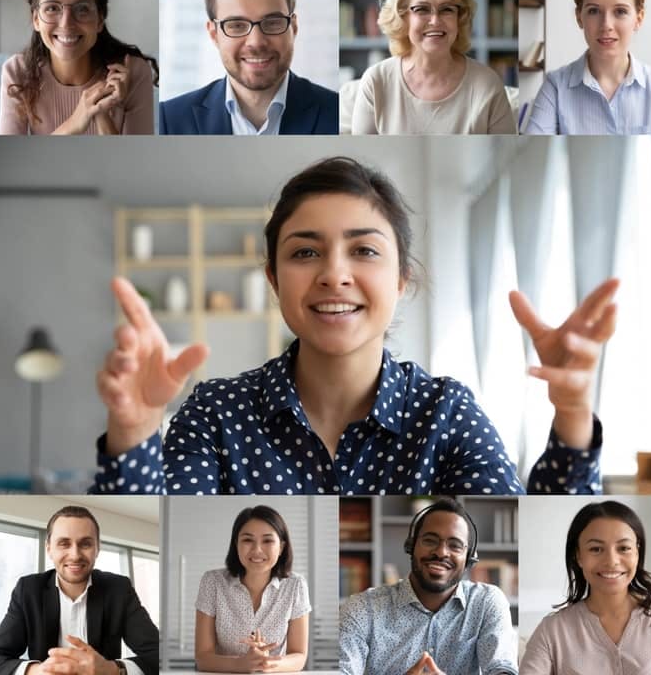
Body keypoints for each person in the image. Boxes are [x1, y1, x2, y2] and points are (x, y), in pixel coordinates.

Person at [91, 156, 618, 495]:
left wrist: (572, 417)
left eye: (364, 250)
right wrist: (134, 431)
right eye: (305, 252)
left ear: (402, 279)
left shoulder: (446, 413)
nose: (334, 275)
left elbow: (537, 543)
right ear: (274, 279)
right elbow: (168, 540)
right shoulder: (215, 414)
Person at [158, 0, 339, 135]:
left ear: (294, 27)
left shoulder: (336, 111)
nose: (256, 42)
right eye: (236, 25)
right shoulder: (168, 119)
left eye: (272, 23)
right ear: (214, 34)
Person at [339, 498, 516, 674]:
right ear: (411, 546)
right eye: (430, 540)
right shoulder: (362, 609)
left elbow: (502, 669)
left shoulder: (486, 603)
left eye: (455, 546)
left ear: (469, 559)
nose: (441, 552)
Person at [519, 501, 651, 675]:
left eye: (624, 548)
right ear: (578, 555)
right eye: (596, 549)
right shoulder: (552, 631)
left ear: (637, 552)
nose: (611, 561)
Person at [0, 505, 161, 675]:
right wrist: (38, 671)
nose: (75, 555)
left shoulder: (119, 589)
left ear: (97, 549)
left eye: (85, 544)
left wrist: (112, 670)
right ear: (49, 549)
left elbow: (160, 655)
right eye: (64, 543)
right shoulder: (28, 590)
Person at [351, 0, 516, 135]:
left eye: (446, 9)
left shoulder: (488, 84)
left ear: (459, 19)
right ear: (403, 18)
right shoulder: (376, 82)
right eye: (422, 9)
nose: (435, 21)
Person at [0, 0, 158, 135]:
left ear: (100, 19)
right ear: (36, 19)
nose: (66, 23)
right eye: (52, 8)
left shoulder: (133, 73)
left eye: (82, 9)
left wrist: (101, 113)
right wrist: (77, 120)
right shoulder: (18, 71)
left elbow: (134, 162)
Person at [526, 0, 651, 135]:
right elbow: (534, 155)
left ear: (638, 19)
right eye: (594, 11)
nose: (606, 25)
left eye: (620, 11)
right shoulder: (556, 86)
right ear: (579, 17)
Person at [195, 505, 309, 673]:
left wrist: (266, 663)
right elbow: (203, 658)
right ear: (236, 544)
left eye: (268, 541)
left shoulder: (296, 585)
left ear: (282, 547)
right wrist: (240, 664)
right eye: (248, 540)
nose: (257, 550)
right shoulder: (212, 582)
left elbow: (299, 656)